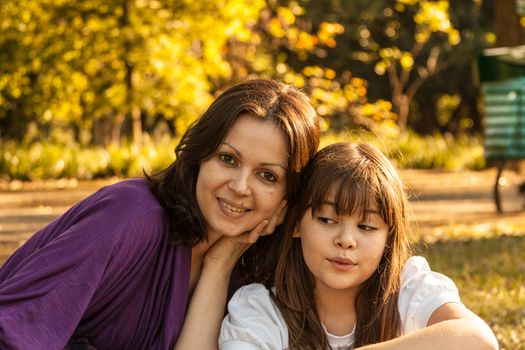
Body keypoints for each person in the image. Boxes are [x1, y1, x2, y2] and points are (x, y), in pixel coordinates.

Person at [0, 79, 320, 349]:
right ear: (200, 156)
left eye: (268, 176)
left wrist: (219, 266)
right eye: (227, 159)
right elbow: (13, 332)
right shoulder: (129, 218)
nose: (239, 186)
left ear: (287, 197)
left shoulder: (250, 268)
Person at [219, 142, 498, 350]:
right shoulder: (261, 308)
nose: (346, 240)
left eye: (366, 227)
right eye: (327, 220)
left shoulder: (408, 289)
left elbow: (478, 339)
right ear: (295, 224)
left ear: (388, 237)